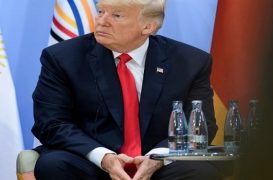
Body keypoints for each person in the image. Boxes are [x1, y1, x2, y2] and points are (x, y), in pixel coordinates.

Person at [31, 0, 220, 179]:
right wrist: (104, 157)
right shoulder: (62, 58)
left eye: (117, 15)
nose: (102, 21)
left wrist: (158, 158)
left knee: (201, 171)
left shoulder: (190, 62)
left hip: (160, 165)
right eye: (101, 11)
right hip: (91, 162)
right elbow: (52, 123)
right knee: (54, 165)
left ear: (148, 26)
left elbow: (200, 126)